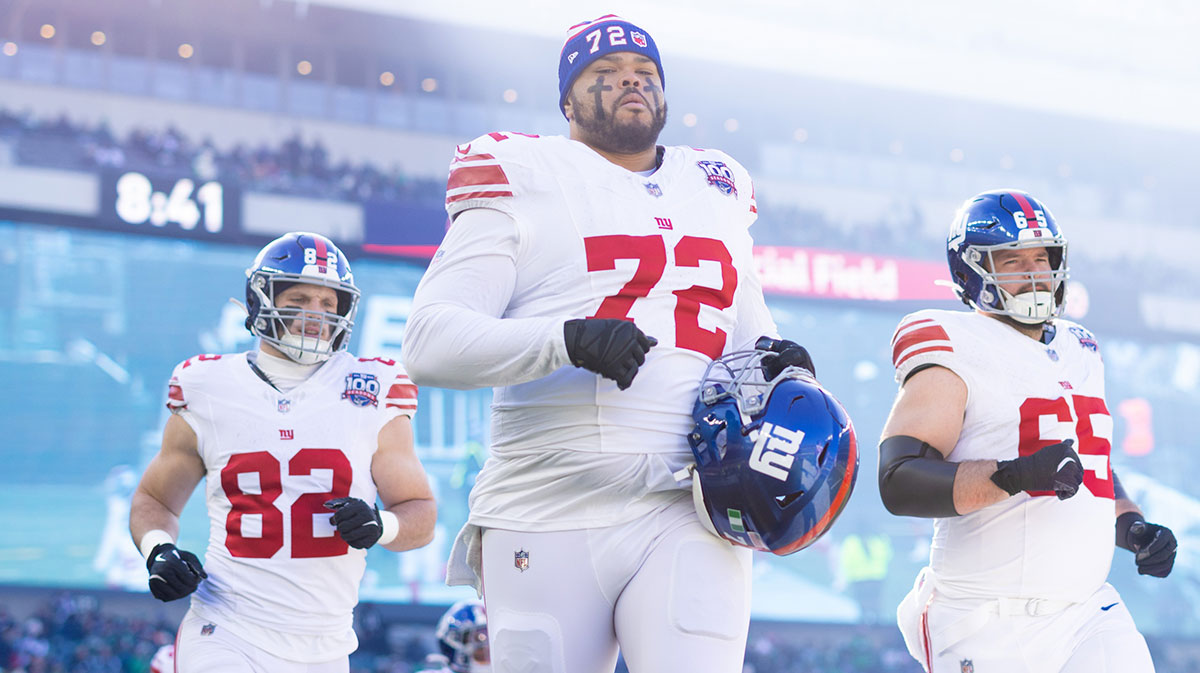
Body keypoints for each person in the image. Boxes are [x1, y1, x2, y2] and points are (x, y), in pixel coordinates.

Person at [402, 14, 815, 673]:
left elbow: (750, 337)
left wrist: (783, 367)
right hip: (549, 498)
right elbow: (428, 342)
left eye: (645, 71)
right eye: (604, 72)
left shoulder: (715, 186)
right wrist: (565, 342)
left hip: (692, 498)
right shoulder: (523, 171)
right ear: (566, 99)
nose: (630, 78)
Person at [878, 190, 1178, 672]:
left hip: (1087, 610)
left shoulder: (1081, 347)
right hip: (988, 617)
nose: (1035, 272)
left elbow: (1089, 463)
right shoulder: (955, 340)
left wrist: (1129, 524)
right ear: (969, 272)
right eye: (1012, 260)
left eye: (1042, 257)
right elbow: (899, 480)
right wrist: (1014, 475)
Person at [130, 231, 437, 672]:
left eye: (328, 304)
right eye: (300, 299)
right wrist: (159, 549)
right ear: (261, 300)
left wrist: (381, 525)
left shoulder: (374, 388)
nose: (315, 315)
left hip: (325, 647)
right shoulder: (206, 387)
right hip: (226, 629)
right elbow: (155, 500)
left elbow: (420, 514)